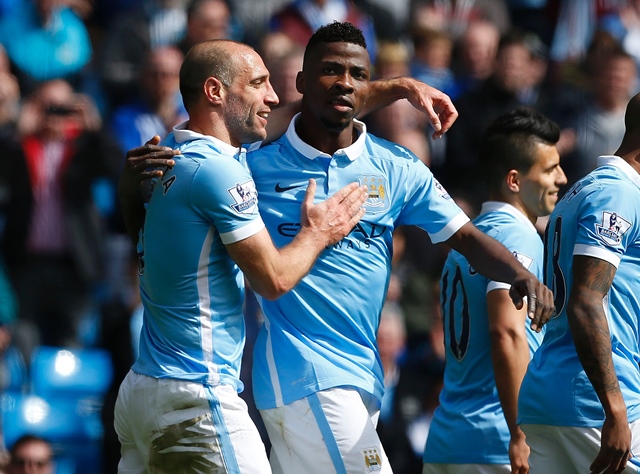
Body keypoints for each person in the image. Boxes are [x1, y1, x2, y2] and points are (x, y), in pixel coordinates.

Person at [122, 23, 554, 474]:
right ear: (303, 83)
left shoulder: (397, 167)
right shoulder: (248, 167)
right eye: (329, 70)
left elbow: (464, 236)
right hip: (300, 377)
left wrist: (519, 273)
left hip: (359, 378)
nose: (345, 81)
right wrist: (319, 232)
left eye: (357, 74)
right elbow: (268, 275)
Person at [114, 38, 370, 473]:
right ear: (215, 92)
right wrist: (319, 232)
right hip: (195, 396)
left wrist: (398, 88)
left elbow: (143, 240)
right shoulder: (218, 170)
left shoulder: (170, 157)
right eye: (258, 83)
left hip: (142, 392)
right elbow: (272, 280)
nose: (272, 96)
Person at [422, 106, 567, 473]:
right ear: (515, 180)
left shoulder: (471, 240)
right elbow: (506, 331)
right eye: (550, 169)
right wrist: (519, 434)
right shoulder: (516, 235)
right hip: (497, 445)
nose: (562, 179)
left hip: (448, 440)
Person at [517, 92, 640, 473]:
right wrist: (614, 409)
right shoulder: (618, 192)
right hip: (596, 404)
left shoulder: (583, 190)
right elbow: (586, 300)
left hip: (552, 397)